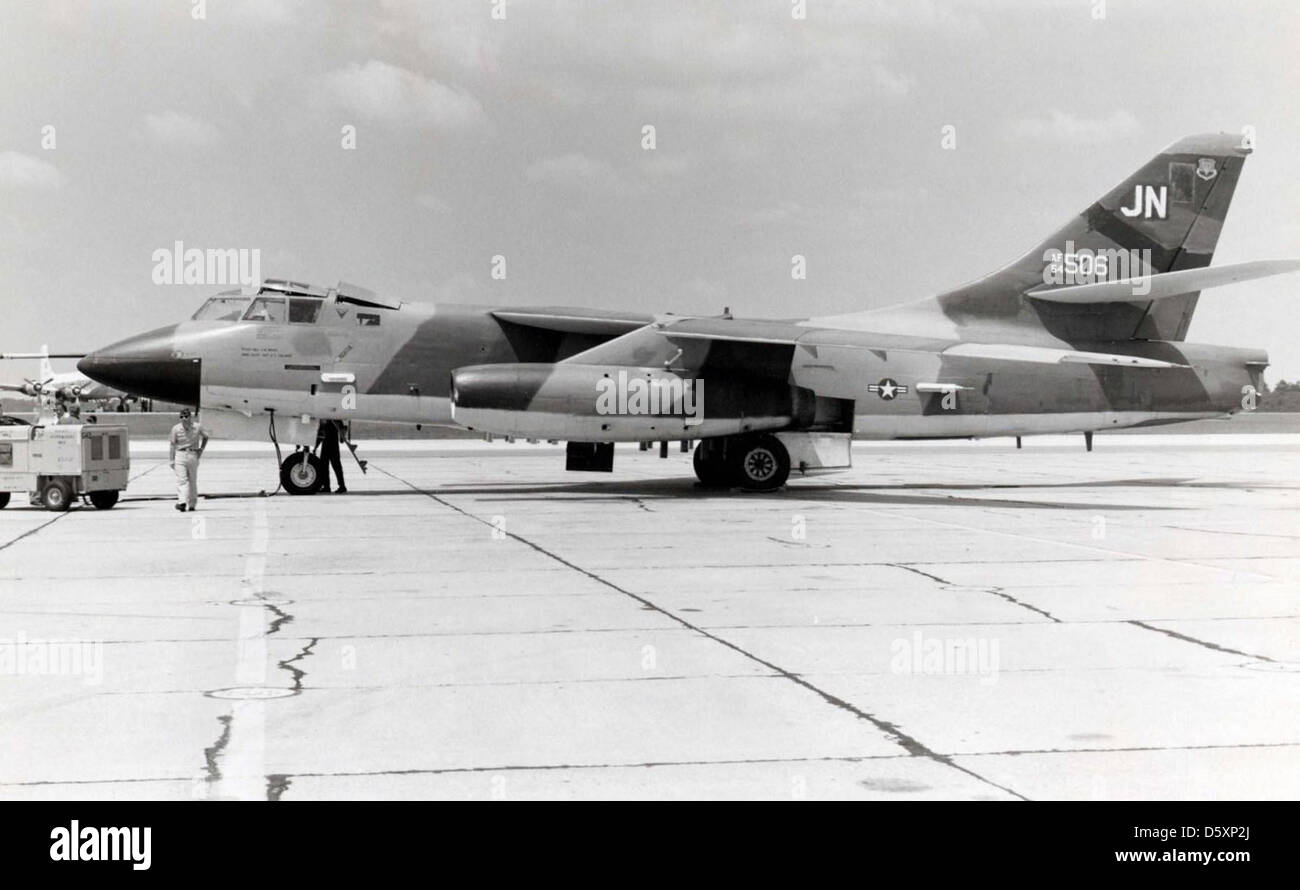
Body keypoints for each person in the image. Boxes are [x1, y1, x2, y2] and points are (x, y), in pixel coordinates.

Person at [169, 408, 208, 512]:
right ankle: (182, 502)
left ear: (190, 417)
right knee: (182, 480)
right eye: (181, 417)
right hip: (180, 454)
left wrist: (201, 449)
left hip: (193, 454)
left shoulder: (197, 427)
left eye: (186, 416)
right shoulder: (176, 429)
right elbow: (172, 445)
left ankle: (192, 504)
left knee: (192, 480)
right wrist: (171, 459)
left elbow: (206, 437)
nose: (184, 419)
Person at [316, 419, 347, 493]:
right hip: (330, 445)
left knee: (334, 466)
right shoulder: (335, 419)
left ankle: (340, 486)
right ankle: (328, 486)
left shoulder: (328, 419)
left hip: (331, 445)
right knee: (326, 467)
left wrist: (315, 447)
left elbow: (320, 434)